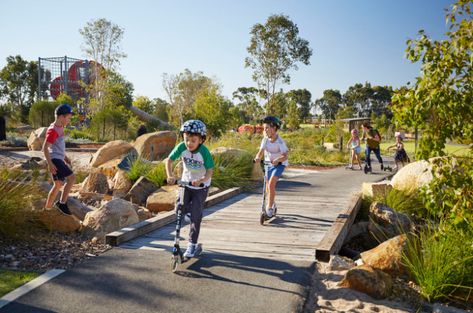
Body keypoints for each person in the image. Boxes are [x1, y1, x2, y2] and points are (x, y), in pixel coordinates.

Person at [165, 119, 214, 258]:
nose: (189, 143)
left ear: (201, 139)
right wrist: (170, 175)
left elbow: (210, 170)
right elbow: (169, 160)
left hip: (201, 186)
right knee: (179, 208)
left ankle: (192, 245)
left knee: (196, 216)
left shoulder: (204, 152)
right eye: (187, 139)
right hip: (186, 183)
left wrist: (202, 180)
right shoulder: (181, 147)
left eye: (193, 140)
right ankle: (188, 215)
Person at [43, 103, 76, 215]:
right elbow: (45, 148)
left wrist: (65, 157)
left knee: (57, 184)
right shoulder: (53, 130)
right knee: (72, 178)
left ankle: (47, 209)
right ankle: (62, 203)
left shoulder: (60, 127)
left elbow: (57, 146)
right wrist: (50, 164)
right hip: (55, 160)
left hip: (58, 159)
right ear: (61, 117)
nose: (69, 120)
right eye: (68, 118)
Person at [254, 116, 289, 218]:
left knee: (271, 184)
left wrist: (277, 160)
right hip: (268, 164)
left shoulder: (280, 142)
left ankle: (269, 208)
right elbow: (260, 152)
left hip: (279, 165)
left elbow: (285, 156)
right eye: (264, 128)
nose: (265, 130)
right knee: (268, 187)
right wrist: (257, 158)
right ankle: (272, 204)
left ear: (274, 128)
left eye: (267, 128)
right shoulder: (265, 140)